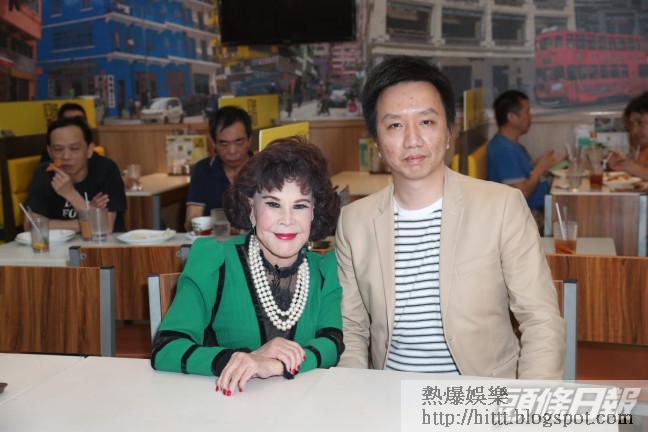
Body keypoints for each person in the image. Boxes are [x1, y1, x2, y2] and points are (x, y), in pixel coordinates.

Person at [336, 57, 565, 379]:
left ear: (449, 133)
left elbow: (540, 319)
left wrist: (528, 404)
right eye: (395, 125)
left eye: (426, 121)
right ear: (377, 143)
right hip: (389, 398)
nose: (412, 139)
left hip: (479, 399)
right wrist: (352, 395)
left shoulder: (502, 207)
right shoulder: (353, 222)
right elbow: (352, 328)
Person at [152, 136, 344, 395]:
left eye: (300, 206)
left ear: (314, 213)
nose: (287, 220)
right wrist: (245, 358)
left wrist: (274, 365)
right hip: (225, 403)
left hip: (303, 406)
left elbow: (331, 343)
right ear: (251, 208)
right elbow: (166, 350)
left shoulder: (325, 269)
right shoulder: (214, 260)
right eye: (273, 204)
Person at [24, 117, 127, 232]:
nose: (66, 156)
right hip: (58, 244)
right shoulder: (44, 173)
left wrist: (71, 194)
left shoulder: (105, 169)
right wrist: (88, 218)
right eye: (58, 150)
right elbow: (30, 225)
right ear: (50, 152)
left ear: (89, 150)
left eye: (74, 148)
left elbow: (104, 228)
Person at [487, 90, 556, 220]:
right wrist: (539, 169)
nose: (530, 117)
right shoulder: (503, 150)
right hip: (529, 217)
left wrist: (542, 167)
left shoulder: (513, 146)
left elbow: (526, 177)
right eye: (527, 112)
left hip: (537, 210)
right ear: (511, 117)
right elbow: (521, 194)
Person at [185, 106, 252, 231]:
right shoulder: (203, 170)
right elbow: (192, 219)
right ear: (213, 143)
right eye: (224, 143)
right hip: (214, 239)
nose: (232, 151)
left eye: (239, 142)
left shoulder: (263, 169)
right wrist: (218, 227)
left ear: (249, 140)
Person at [608, 91, 648, 180]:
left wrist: (633, 168)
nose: (634, 131)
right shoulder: (644, 151)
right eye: (631, 125)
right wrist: (623, 164)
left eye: (640, 122)